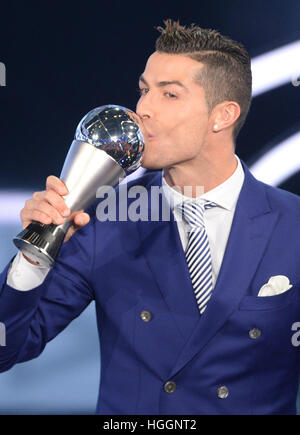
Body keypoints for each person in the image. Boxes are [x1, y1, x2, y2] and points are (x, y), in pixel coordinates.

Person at [1, 19, 300, 415]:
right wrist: (35, 251)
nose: (142, 109)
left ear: (222, 115)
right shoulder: (104, 216)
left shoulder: (292, 224)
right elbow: (9, 349)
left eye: (169, 94)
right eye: (144, 90)